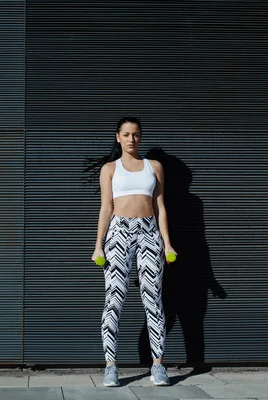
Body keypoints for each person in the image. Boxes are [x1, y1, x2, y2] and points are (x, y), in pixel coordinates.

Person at [85, 117, 176, 387]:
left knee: (153, 300)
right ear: (118, 137)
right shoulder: (110, 169)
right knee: (114, 299)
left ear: (140, 136)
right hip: (119, 232)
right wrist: (98, 244)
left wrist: (167, 243)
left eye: (135, 134)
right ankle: (111, 366)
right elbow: (105, 208)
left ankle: (158, 365)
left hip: (149, 233)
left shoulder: (154, 167)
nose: (131, 139)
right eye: (126, 134)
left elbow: (160, 207)